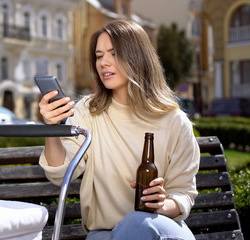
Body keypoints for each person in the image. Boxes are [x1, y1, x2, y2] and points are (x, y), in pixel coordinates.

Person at [38, 19, 200, 240]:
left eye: (113, 53)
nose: (103, 62)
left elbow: (184, 194)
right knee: (127, 228)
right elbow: (60, 174)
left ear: (137, 56)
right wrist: (52, 128)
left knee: (138, 224)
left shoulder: (175, 121)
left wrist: (161, 205)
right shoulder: (88, 111)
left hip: (160, 227)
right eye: (98, 55)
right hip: (104, 233)